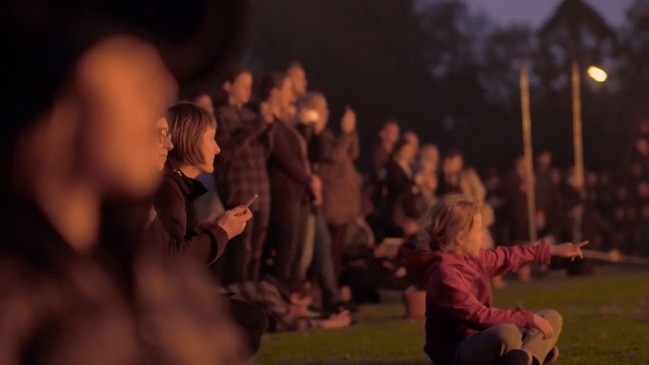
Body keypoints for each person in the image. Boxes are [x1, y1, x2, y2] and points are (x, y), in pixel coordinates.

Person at [0, 0, 249, 362]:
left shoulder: (163, 282)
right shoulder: (15, 304)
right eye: (133, 59)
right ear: (52, 76)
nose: (162, 88)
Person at [401, 194, 587, 365]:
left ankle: (527, 358)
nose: (483, 237)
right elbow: (478, 315)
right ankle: (531, 353)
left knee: (551, 317)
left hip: (484, 337)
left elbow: (508, 256)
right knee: (506, 333)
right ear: (460, 238)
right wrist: (527, 318)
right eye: (479, 231)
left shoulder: (473, 258)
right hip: (457, 352)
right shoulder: (444, 274)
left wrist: (553, 250)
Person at [153, 102, 252, 265]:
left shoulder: (176, 186)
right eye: (212, 138)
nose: (217, 148)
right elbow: (170, 261)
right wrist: (223, 232)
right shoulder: (166, 189)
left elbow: (174, 243)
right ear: (192, 138)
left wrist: (204, 230)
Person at [214, 66, 273, 284]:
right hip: (240, 191)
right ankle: (237, 300)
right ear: (228, 86)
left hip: (261, 192)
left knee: (256, 255)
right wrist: (258, 125)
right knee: (240, 254)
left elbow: (264, 152)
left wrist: (268, 127)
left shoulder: (251, 115)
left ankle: (255, 301)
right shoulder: (220, 115)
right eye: (243, 85)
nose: (248, 90)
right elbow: (227, 153)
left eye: (250, 86)